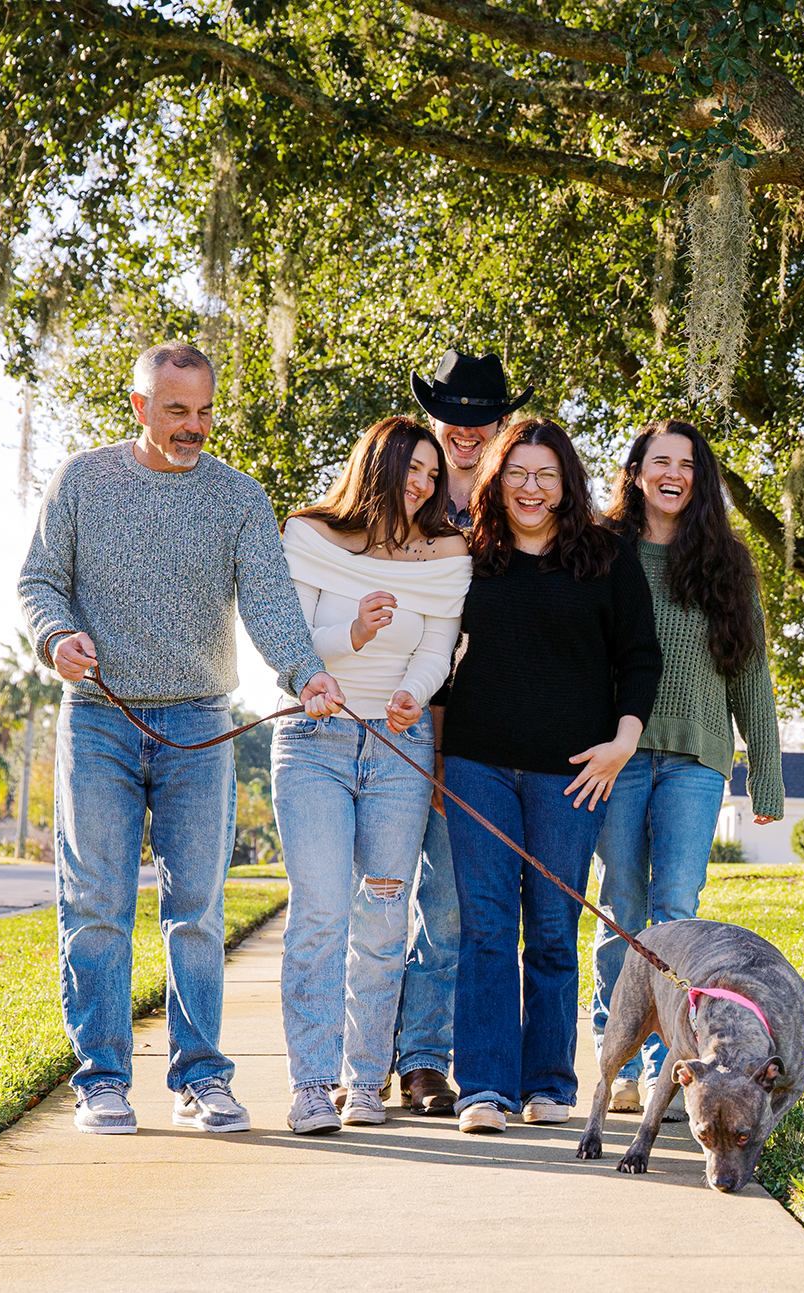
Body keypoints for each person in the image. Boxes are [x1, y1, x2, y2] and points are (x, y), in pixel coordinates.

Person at [18, 340, 343, 1136]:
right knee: (96, 903)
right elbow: (38, 583)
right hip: (100, 717)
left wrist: (306, 673)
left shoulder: (238, 497)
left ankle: (201, 1075)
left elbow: (269, 602)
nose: (194, 426)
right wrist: (55, 635)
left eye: (203, 410)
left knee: (196, 908)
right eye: (176, 412)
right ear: (139, 408)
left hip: (202, 719)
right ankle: (101, 1078)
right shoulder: (83, 481)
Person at [441, 417, 661, 1134]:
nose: (530, 488)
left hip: (573, 774)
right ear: (495, 478)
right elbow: (434, 659)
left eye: (545, 475)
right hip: (477, 766)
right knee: (485, 927)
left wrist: (622, 742)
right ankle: (482, 1087)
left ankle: (546, 1082)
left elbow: (639, 657)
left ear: (566, 482)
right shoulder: (466, 555)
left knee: (551, 926)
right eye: (517, 473)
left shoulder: (605, 555)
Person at [272, 417, 471, 1135]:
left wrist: (413, 692)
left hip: (399, 745)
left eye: (429, 472)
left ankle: (363, 1081)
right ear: (375, 465)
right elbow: (288, 642)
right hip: (314, 737)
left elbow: (438, 648)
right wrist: (350, 635)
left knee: (385, 913)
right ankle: (312, 1084)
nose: (422, 483)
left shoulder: (446, 551)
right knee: (323, 911)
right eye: (410, 468)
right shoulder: (310, 534)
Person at [592, 420, 785, 1117]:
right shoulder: (602, 550)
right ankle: (609, 1050)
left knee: (676, 907)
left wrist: (767, 771)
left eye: (689, 465)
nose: (674, 473)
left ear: (700, 481)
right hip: (616, 752)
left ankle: (664, 1066)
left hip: (698, 757)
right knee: (623, 906)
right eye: (660, 460)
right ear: (637, 469)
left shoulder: (726, 563)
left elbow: (752, 672)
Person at [387, 350, 531, 1117]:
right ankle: (362, 1052)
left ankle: (421, 1061)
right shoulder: (401, 494)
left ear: (501, 423)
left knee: (446, 906)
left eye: (483, 417)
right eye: (455, 415)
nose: (467, 430)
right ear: (433, 417)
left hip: (474, 739)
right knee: (373, 901)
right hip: (386, 721)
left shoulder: (515, 506)